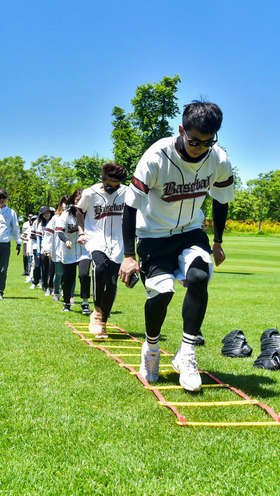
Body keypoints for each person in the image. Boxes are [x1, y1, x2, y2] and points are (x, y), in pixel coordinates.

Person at [119, 100, 234, 392]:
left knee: (199, 276)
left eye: (207, 142)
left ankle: (188, 354)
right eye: (193, 140)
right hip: (153, 236)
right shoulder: (156, 157)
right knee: (162, 293)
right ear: (181, 130)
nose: (198, 148)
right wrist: (129, 256)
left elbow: (222, 201)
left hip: (190, 231)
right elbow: (130, 208)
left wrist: (218, 241)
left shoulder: (218, 158)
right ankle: (152, 349)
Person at [76, 162, 131, 339]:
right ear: (103, 177)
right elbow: (78, 211)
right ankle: (97, 312)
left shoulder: (126, 192)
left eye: (116, 185)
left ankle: (103, 320)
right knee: (100, 268)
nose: (113, 188)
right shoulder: (90, 192)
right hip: (96, 238)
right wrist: (81, 231)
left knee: (112, 282)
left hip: (118, 242)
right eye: (110, 183)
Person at [56, 189, 91, 313]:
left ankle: (85, 302)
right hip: (68, 251)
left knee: (84, 275)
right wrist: (66, 240)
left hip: (84, 250)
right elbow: (59, 231)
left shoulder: (89, 214)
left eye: (82, 200)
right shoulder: (66, 214)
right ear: (73, 200)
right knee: (68, 279)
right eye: (77, 199)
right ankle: (66, 302)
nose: (79, 202)